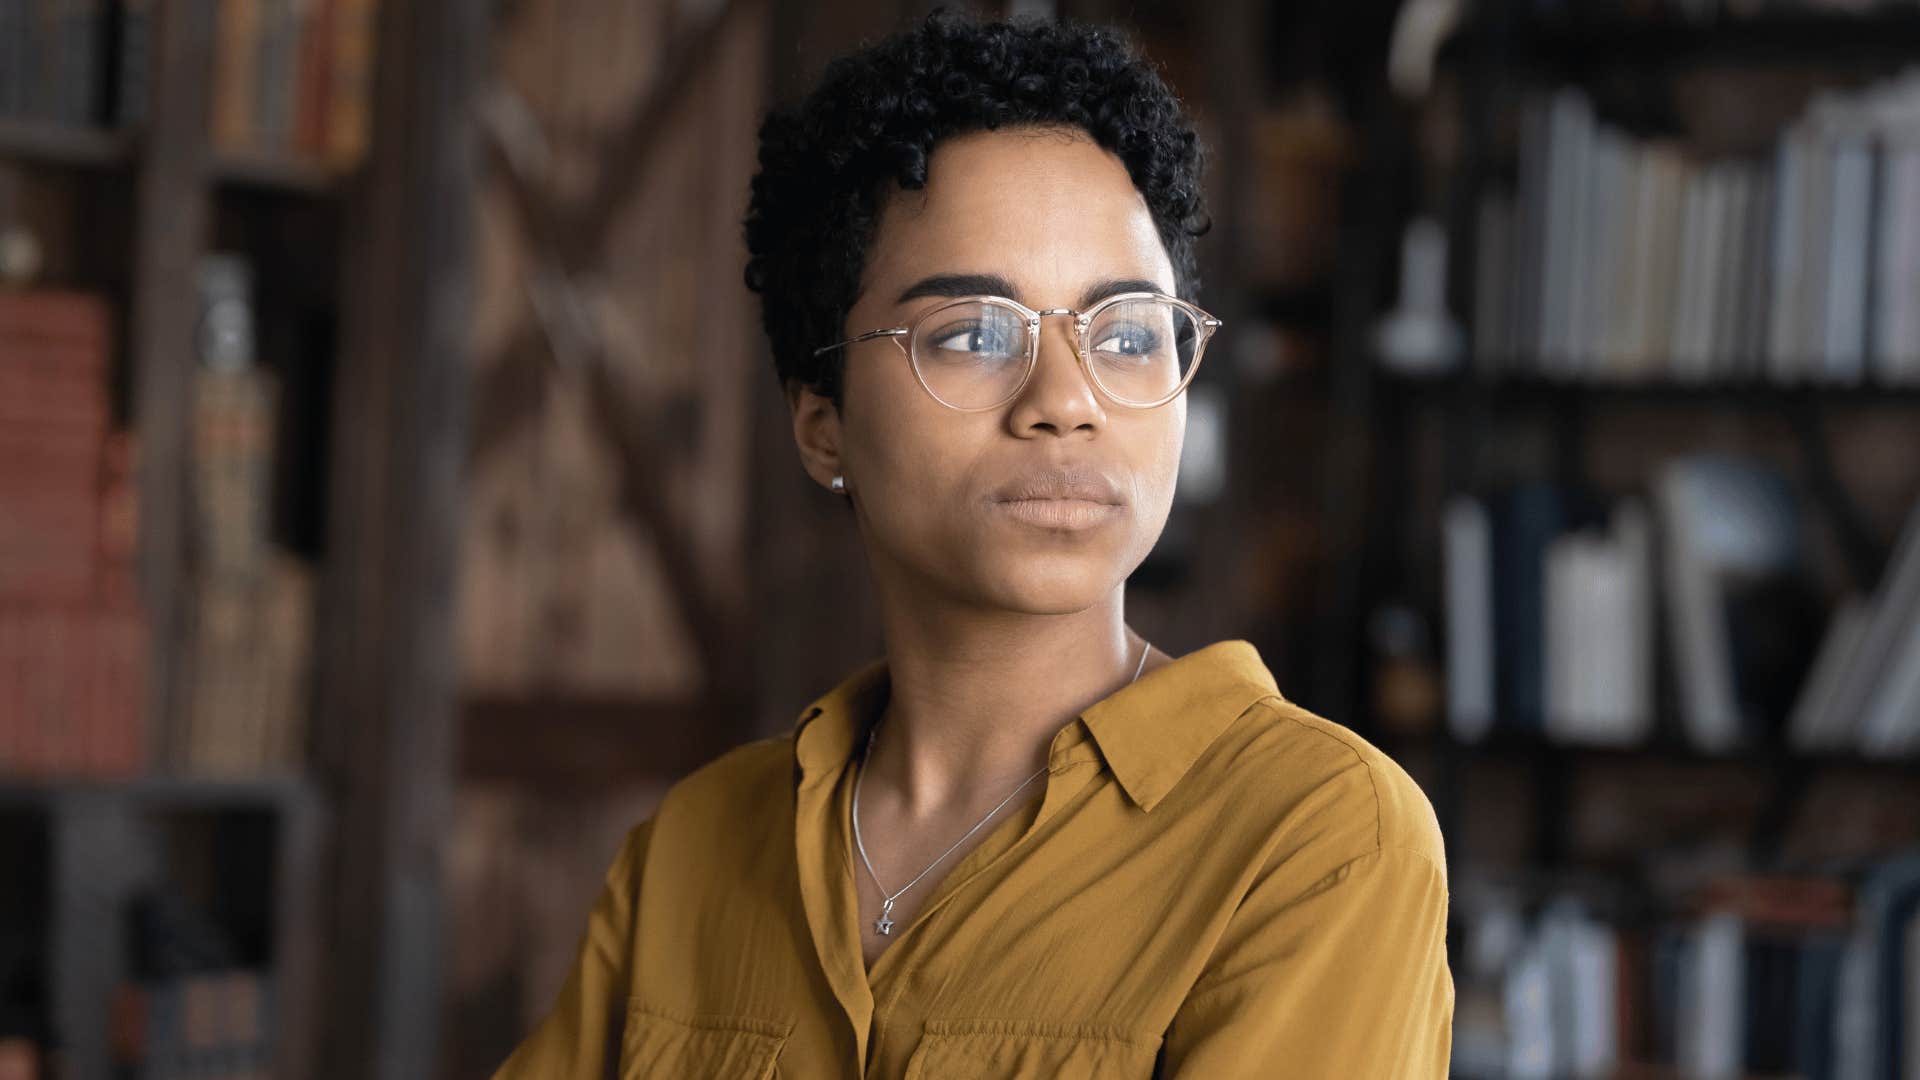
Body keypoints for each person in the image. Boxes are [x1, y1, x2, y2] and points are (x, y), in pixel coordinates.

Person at [491, 7, 1452, 1078]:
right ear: (822, 421)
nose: (1064, 402)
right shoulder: (696, 850)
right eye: (973, 334)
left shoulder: (1314, 839)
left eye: (1128, 332)